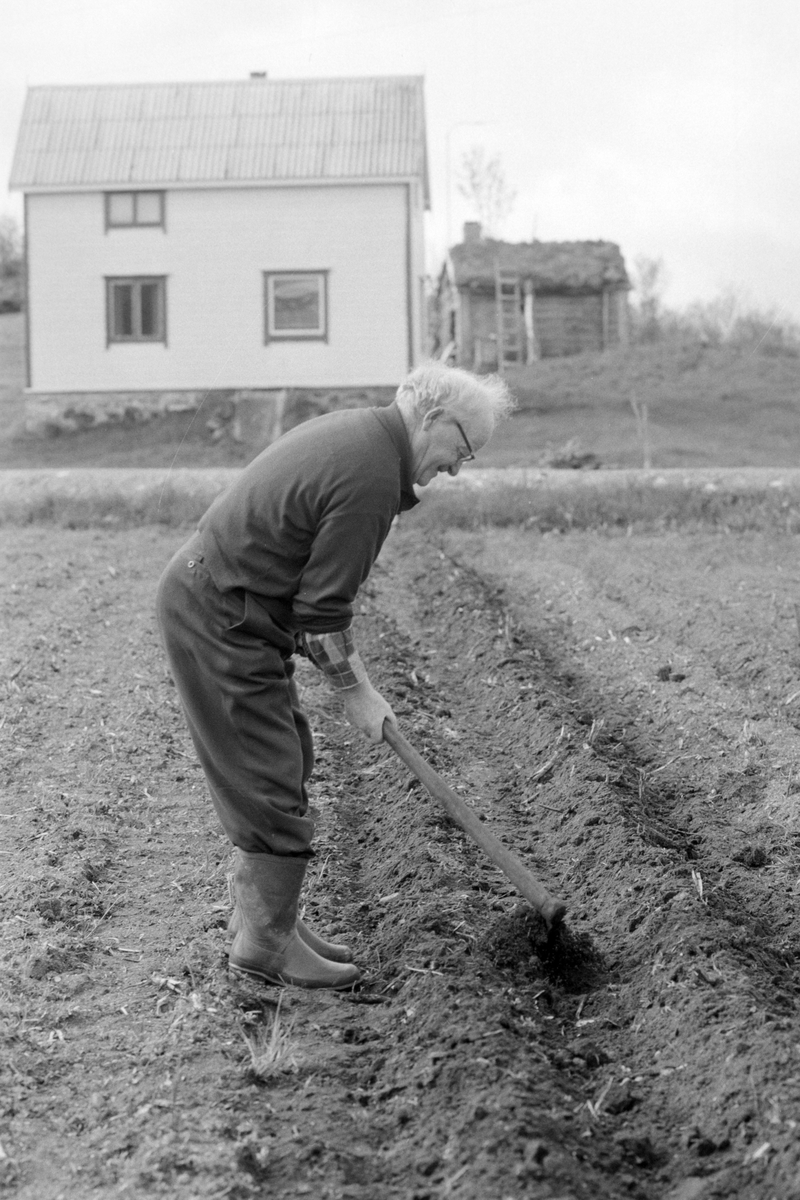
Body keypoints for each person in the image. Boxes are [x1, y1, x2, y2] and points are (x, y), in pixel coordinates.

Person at [155, 362, 514, 990]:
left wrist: (353, 686)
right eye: (462, 450)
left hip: (233, 606)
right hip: (220, 614)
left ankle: (269, 922)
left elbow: (311, 604)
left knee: (288, 751)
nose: (457, 468)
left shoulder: (364, 438)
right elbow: (322, 617)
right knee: (267, 770)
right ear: (432, 419)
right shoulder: (371, 473)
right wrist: (360, 693)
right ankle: (264, 946)